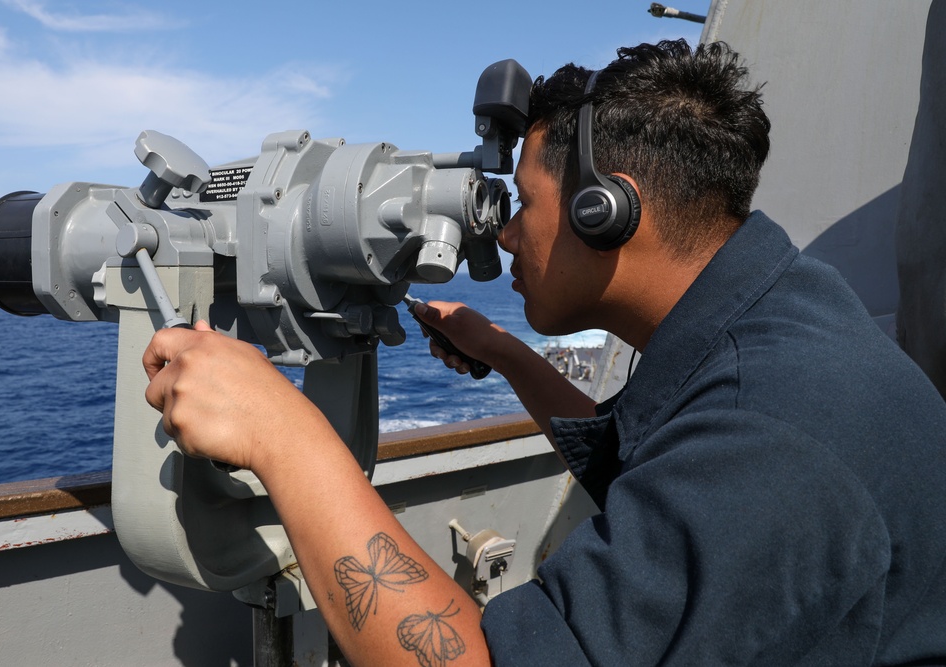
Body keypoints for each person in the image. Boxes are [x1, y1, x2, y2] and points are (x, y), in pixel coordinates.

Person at [143, 39, 946, 665]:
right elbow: (651, 471)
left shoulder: (776, 428)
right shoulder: (777, 318)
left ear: (608, 208)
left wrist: (282, 431)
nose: (506, 231)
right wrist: (502, 350)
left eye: (525, 203)